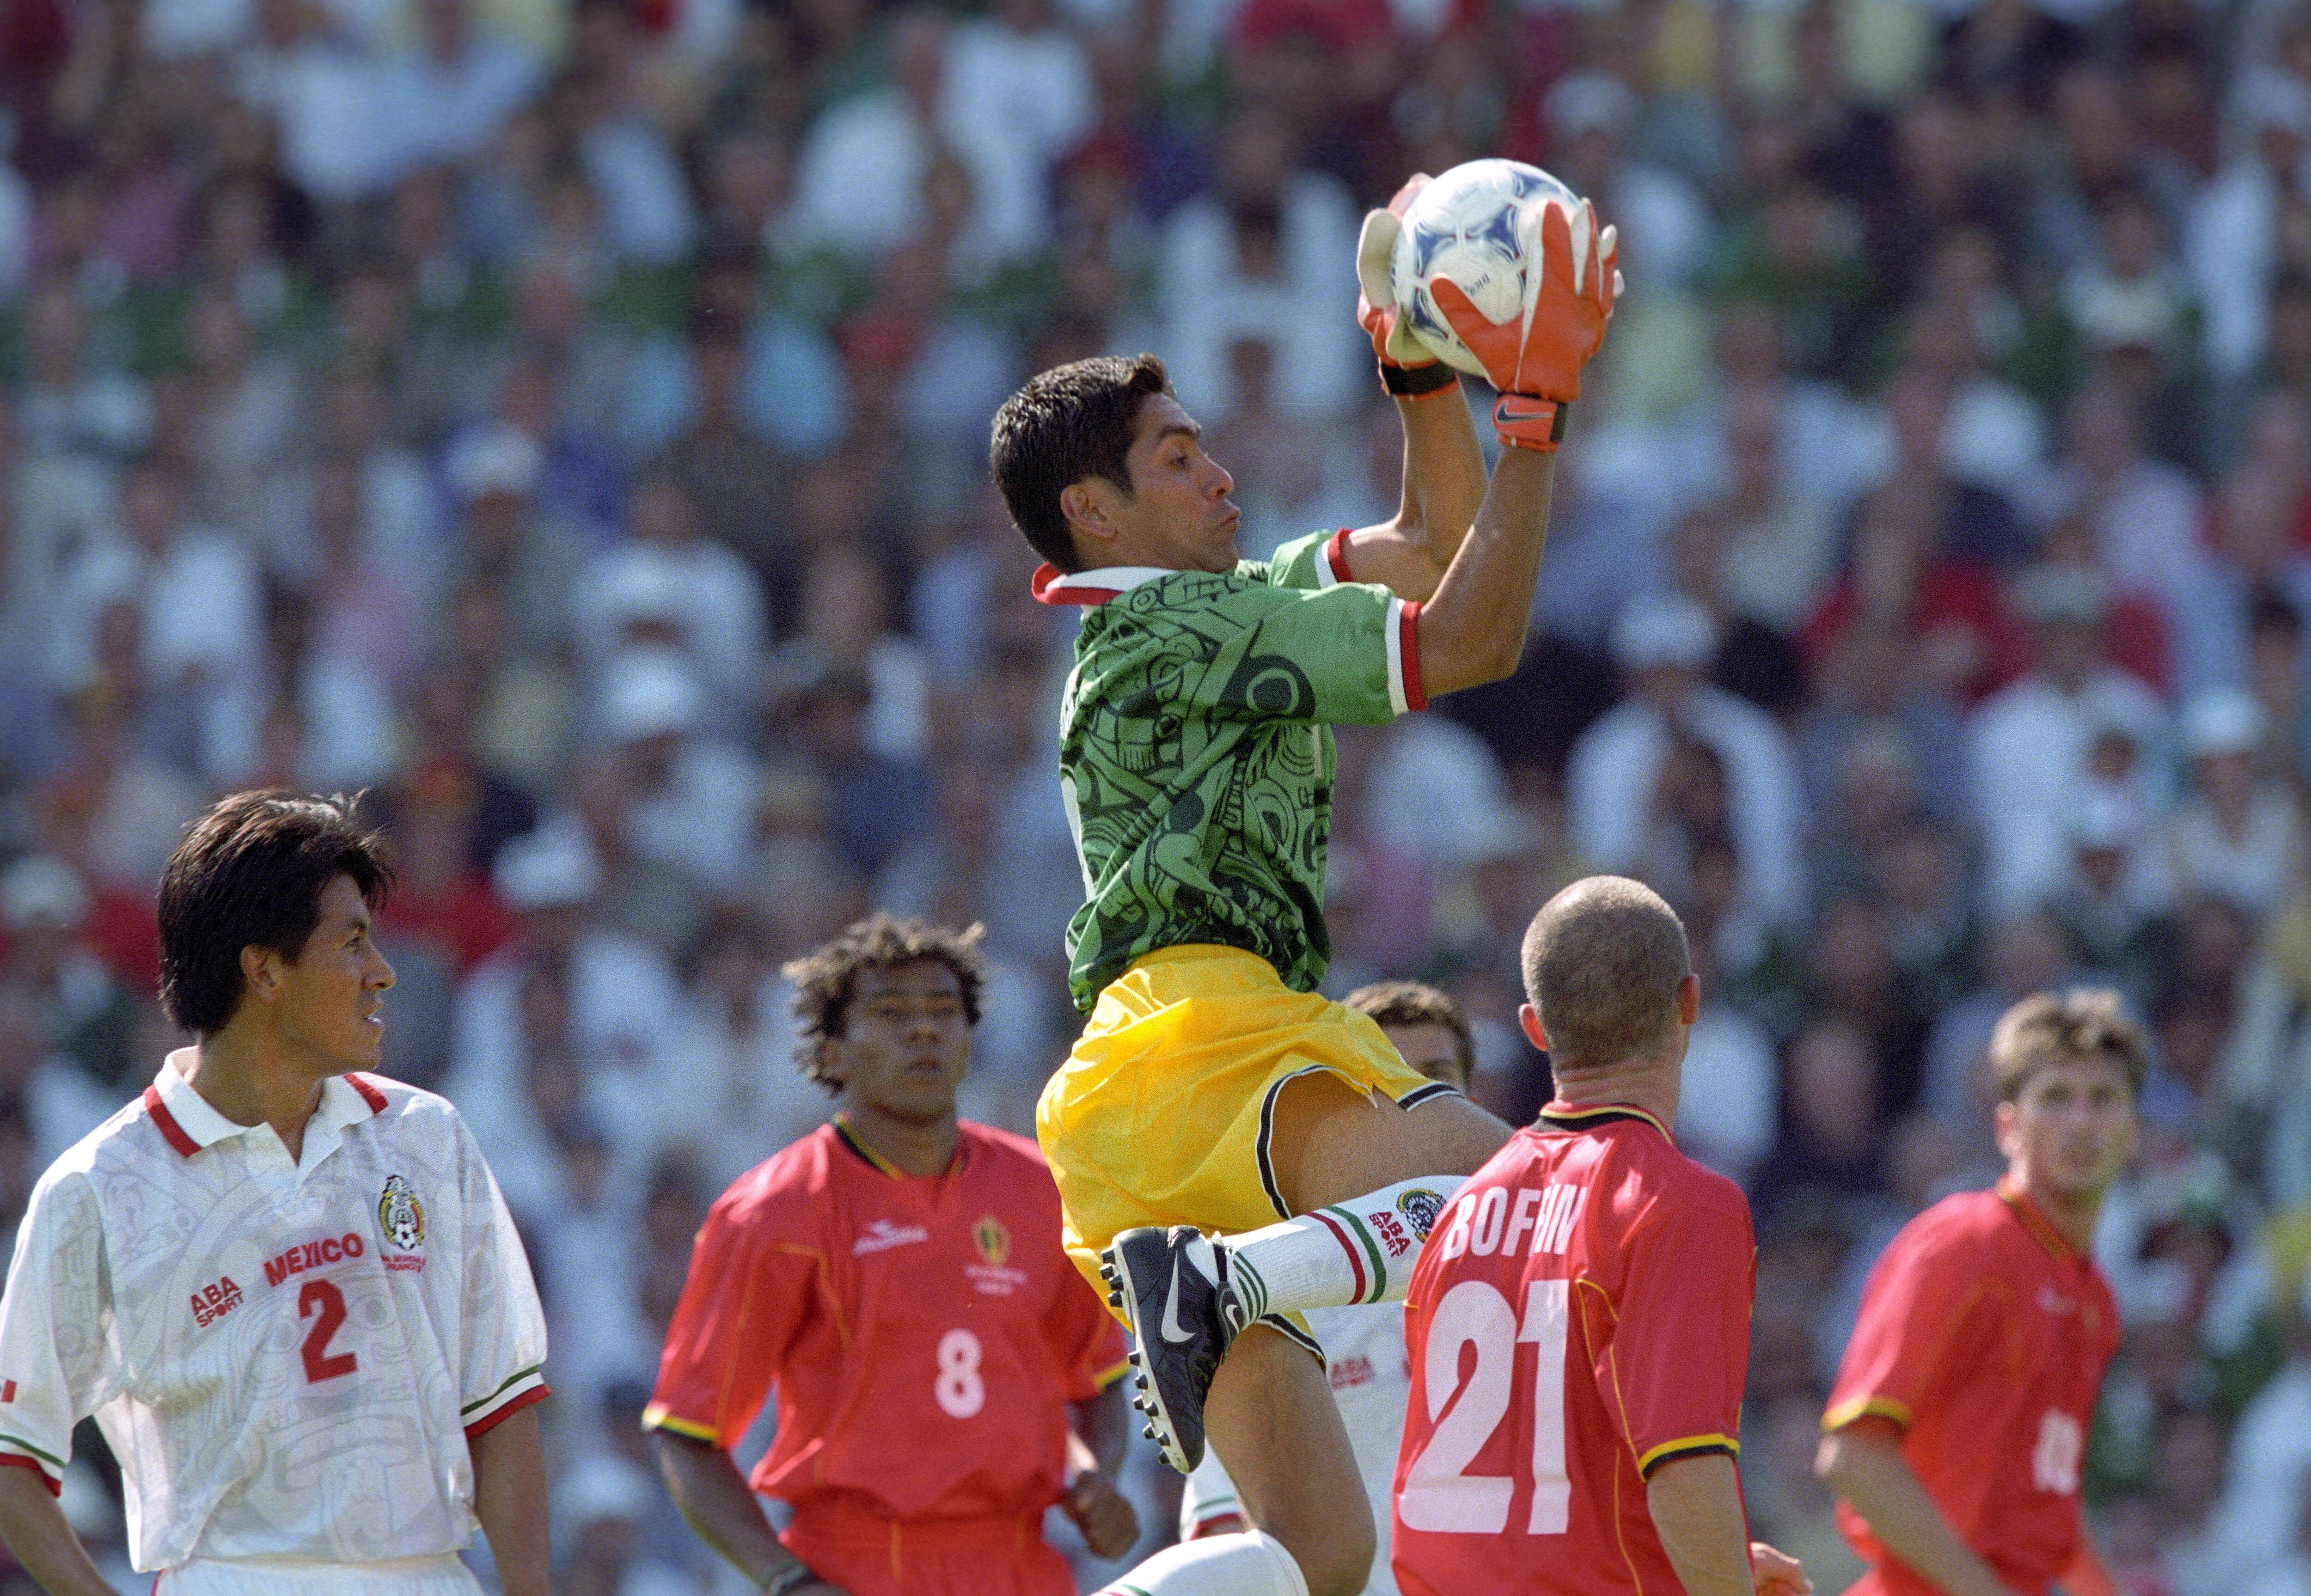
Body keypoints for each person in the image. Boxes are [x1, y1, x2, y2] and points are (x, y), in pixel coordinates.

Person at [990, 174, 1620, 1596]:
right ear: (1092, 510)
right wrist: (1531, 418)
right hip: (1210, 1038)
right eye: (1176, 459)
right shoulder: (1177, 629)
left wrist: (1418, 376)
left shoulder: (1206, 606)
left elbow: (1435, 552)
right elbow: (1474, 638)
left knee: (1319, 1557)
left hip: (1151, 1080)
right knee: (1527, 1195)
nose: (1219, 474)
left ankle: (1216, 1285)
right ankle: (1228, 1283)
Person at [0, 791, 554, 1596]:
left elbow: (499, 1407)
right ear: (263, 970)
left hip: (428, 1576)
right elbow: (13, 1450)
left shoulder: (428, 1137)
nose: (383, 971)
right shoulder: (99, 1187)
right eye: (352, 943)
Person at [644, 913, 1139, 1596]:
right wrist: (786, 1581)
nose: (925, 1030)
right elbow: (687, 1435)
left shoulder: (1042, 1192)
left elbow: (1098, 1383)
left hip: (1022, 1565)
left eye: (944, 1011)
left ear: (969, 1039)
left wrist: (1097, 1477)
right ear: (832, 1053)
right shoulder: (773, 1212)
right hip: (855, 1568)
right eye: (891, 1013)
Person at [1390, 875, 1806, 1596]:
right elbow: (1684, 1469)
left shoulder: (1460, 1211)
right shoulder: (1681, 1205)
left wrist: (1715, 1562)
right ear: (1689, 1001)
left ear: (1535, 1028)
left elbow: (1543, 1470)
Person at [1816, 989, 2142, 1596]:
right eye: (2055, 1098)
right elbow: (1855, 1459)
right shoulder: (1964, 1242)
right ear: (2006, 1126)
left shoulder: (2096, 1298)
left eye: (2103, 1099)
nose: (2080, 1122)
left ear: (2134, 1129)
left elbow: (2049, 1502)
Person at [1178, 981, 1476, 1595]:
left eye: (1436, 1081)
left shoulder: (1539, 1274)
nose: (1414, 1106)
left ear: (1472, 1102)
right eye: (1385, 1080)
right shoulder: (1266, 1286)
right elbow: (1224, 1530)